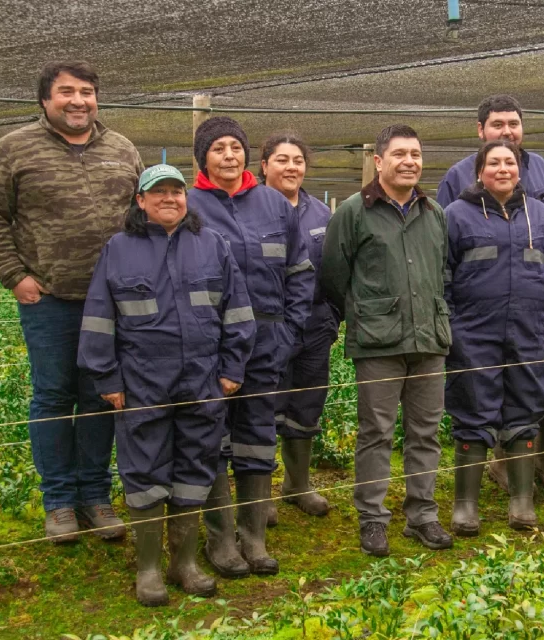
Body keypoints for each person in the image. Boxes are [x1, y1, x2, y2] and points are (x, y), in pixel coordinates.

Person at [0, 60, 142, 542]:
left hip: (112, 302)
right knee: (53, 396)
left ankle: (95, 497)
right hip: (49, 299)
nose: (78, 100)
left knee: (100, 395)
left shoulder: (121, 148)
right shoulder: (13, 148)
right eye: (66, 92)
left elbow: (139, 215)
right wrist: (14, 276)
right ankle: (59, 503)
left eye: (87, 91)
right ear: (45, 100)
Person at [78, 164, 254, 606]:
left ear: (186, 197)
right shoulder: (118, 249)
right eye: (159, 193)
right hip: (142, 382)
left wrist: (232, 370)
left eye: (177, 191)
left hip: (202, 378)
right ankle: (149, 570)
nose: (170, 199)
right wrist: (108, 378)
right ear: (141, 201)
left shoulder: (212, 245)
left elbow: (238, 313)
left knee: (196, 466)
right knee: (144, 471)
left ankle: (185, 563)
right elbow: (99, 319)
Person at [188, 117, 314, 577]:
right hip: (210, 347)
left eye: (235, 147)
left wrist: (290, 331)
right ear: (203, 157)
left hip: (266, 341)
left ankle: (254, 536)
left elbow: (300, 272)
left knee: (258, 435)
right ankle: (220, 540)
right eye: (218, 147)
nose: (229, 155)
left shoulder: (274, 205)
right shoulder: (188, 206)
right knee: (211, 438)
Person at [321, 124, 453, 556]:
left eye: (416, 153)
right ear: (379, 161)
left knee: (426, 433)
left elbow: (441, 273)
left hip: (428, 342)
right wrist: (367, 313)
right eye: (400, 154)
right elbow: (333, 277)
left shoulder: (433, 213)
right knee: (376, 432)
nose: (410, 161)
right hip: (379, 344)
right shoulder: (354, 213)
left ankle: (423, 516)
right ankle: (373, 520)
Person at [437, 94, 544, 497]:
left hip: (532, 311)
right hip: (478, 317)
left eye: (513, 123)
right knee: (478, 393)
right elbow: (445, 246)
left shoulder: (543, 172)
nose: (507, 132)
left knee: (537, 392)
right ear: (480, 131)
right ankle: (492, 470)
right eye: (498, 125)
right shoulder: (457, 176)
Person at [262, 132, 341, 519]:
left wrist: (332, 316)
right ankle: (259, 491)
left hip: (314, 323)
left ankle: (297, 484)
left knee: (307, 401)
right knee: (263, 403)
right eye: (282, 159)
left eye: (297, 160)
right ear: (264, 166)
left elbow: (336, 270)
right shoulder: (253, 209)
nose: (291, 167)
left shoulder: (321, 213)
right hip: (270, 324)